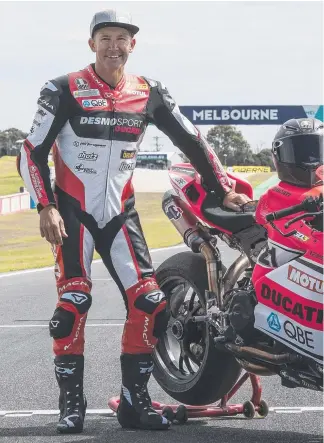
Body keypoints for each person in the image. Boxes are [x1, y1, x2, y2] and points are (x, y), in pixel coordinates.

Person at [18, 9, 250, 434]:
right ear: (91, 43)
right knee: (73, 305)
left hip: (120, 213)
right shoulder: (62, 88)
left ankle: (134, 403)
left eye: (121, 38)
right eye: (105, 38)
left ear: (132, 45)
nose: (113, 46)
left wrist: (222, 190)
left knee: (150, 302)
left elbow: (191, 140)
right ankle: (71, 405)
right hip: (72, 212)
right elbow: (30, 150)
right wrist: (45, 206)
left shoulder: (149, 92)